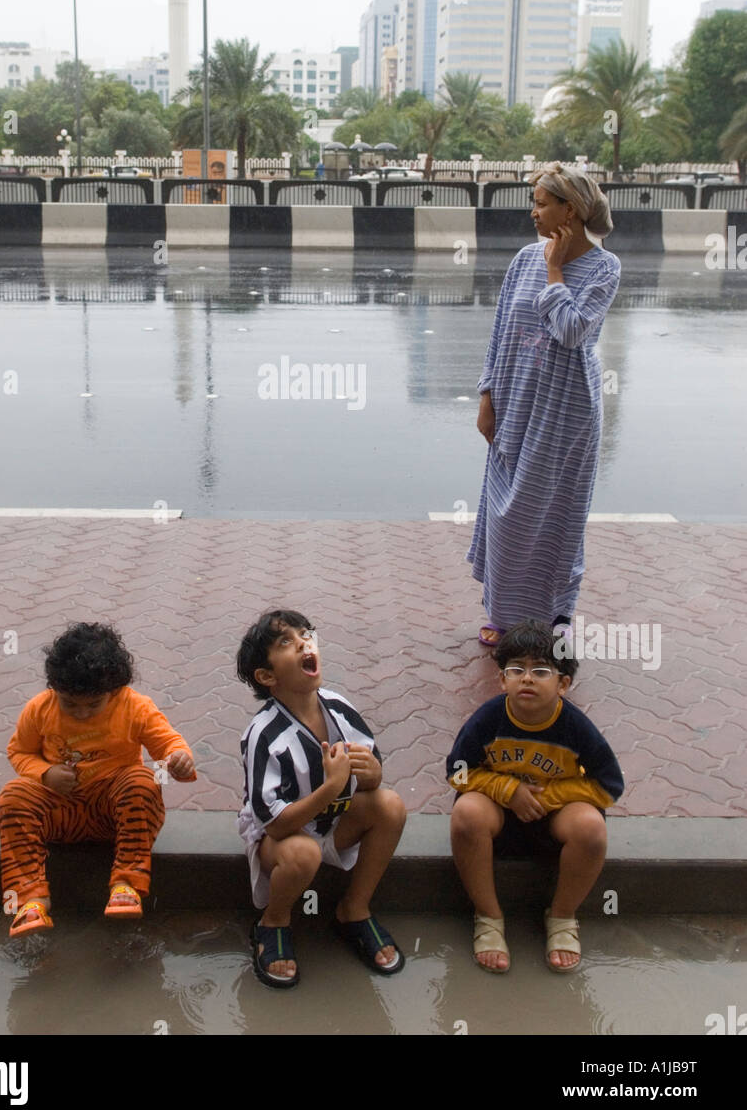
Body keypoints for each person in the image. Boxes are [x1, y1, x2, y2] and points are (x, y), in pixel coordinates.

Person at [467, 161, 621, 646]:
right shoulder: (523, 259)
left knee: (556, 514)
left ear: (568, 210)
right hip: (515, 401)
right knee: (505, 510)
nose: (532, 213)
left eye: (540, 203)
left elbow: (573, 331)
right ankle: (503, 609)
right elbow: (499, 332)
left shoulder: (604, 268)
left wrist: (555, 271)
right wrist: (487, 395)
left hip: (566, 411)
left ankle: (555, 613)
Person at [236, 609, 406, 988]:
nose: (303, 642)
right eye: (286, 642)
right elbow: (275, 824)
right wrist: (331, 787)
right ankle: (273, 921)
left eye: (305, 635)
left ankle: (354, 909)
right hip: (279, 841)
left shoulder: (338, 706)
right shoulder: (263, 735)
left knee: (390, 805)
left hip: (333, 822)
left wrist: (372, 774)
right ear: (267, 676)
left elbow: (372, 774)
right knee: (303, 853)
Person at [0, 622, 196, 937]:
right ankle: (31, 899)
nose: (81, 713)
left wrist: (178, 759)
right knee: (13, 796)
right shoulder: (39, 709)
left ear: (114, 690)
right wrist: (45, 774)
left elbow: (167, 743)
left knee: (141, 781)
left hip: (114, 816)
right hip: (61, 815)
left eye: (93, 705)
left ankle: (126, 885)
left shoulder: (134, 706)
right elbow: (19, 752)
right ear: (54, 688)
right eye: (70, 704)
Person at [447, 619, 623, 974]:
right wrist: (508, 790)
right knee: (466, 814)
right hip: (499, 812)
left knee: (591, 828)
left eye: (541, 671)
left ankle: (561, 917)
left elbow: (609, 786)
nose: (527, 678)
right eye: (517, 670)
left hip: (554, 815)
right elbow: (457, 773)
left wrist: (550, 795)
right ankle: (489, 916)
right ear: (502, 680)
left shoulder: (576, 727)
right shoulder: (488, 719)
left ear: (563, 684)